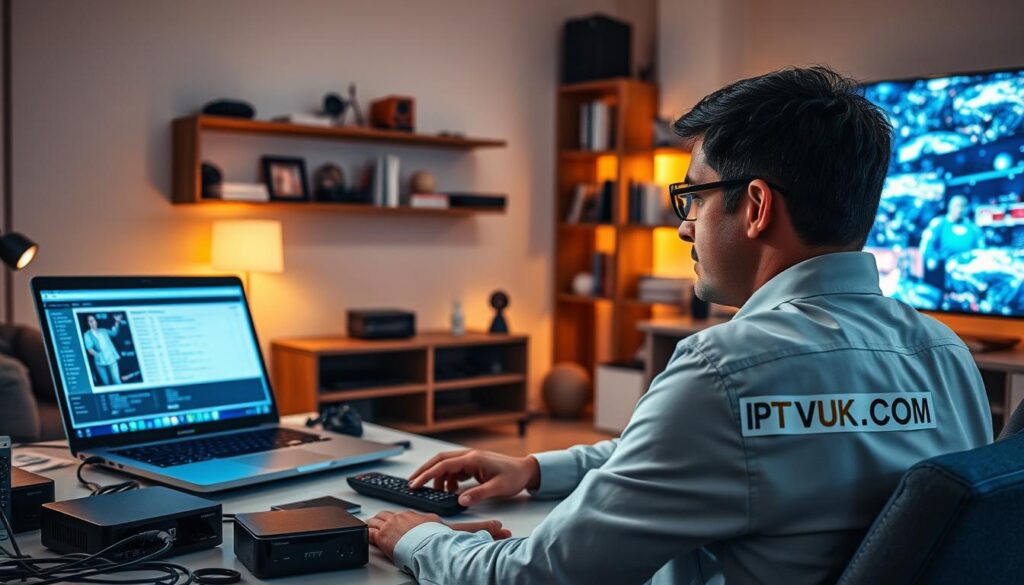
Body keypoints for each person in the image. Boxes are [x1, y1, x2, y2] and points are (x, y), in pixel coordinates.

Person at [366, 67, 993, 584]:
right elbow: (715, 455)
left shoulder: (725, 371)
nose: (684, 226)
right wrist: (535, 469)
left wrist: (421, 539)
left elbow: (538, 575)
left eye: (692, 197)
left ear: (754, 207)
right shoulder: (947, 355)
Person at [919, 194, 986, 291]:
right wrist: (930, 258)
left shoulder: (975, 229)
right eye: (956, 206)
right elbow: (926, 243)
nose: (960, 209)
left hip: (967, 273)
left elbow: (981, 251)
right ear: (949, 206)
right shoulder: (939, 223)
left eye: (963, 206)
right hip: (942, 272)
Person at [83, 313, 123, 386]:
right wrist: (98, 355)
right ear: (88, 324)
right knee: (106, 383)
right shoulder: (87, 335)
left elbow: (114, 333)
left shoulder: (103, 330)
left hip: (111, 358)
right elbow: (90, 349)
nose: (94, 322)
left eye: (94, 320)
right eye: (91, 321)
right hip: (100, 361)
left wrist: (117, 322)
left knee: (116, 380)